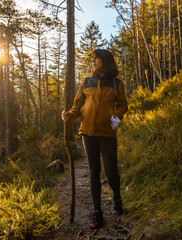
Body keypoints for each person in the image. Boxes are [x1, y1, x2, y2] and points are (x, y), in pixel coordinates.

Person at [62, 49, 128, 229]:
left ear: (104, 60)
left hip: (107, 134)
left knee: (111, 170)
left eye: (95, 58)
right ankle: (97, 212)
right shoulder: (86, 81)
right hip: (87, 133)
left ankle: (117, 198)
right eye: (91, 59)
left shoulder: (116, 84)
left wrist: (114, 118)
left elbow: (123, 106)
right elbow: (78, 104)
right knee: (94, 172)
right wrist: (70, 115)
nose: (92, 61)